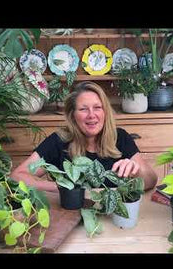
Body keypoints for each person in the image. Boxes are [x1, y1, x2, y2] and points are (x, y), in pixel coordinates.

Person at [10, 81, 158, 192]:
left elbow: (151, 180)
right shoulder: (59, 140)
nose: (92, 115)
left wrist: (137, 171)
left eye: (97, 108)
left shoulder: (120, 138)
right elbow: (17, 176)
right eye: (83, 109)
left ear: (105, 112)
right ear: (72, 115)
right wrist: (61, 187)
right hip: (70, 215)